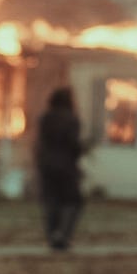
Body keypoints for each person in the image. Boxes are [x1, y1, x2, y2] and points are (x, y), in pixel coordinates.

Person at [35, 87, 84, 250]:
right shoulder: (71, 119)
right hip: (66, 167)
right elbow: (73, 144)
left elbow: (40, 144)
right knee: (72, 202)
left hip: (46, 166)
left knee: (51, 202)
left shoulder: (45, 119)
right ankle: (63, 235)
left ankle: (52, 236)